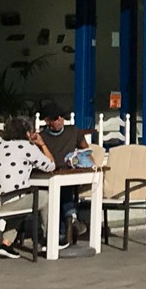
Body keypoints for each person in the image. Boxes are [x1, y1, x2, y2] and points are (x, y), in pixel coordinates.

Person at [0, 115, 56, 257]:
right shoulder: (27, 147)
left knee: (23, 199)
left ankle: (6, 244)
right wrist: (42, 144)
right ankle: (49, 241)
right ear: (27, 133)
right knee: (45, 197)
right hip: (11, 201)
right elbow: (51, 165)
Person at [37, 102, 89, 242]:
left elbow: (86, 150)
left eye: (62, 117)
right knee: (58, 191)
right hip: (49, 174)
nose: (60, 120)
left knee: (64, 189)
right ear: (47, 121)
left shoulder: (73, 131)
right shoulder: (41, 137)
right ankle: (71, 220)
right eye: (56, 118)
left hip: (69, 173)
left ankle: (63, 231)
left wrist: (79, 159)